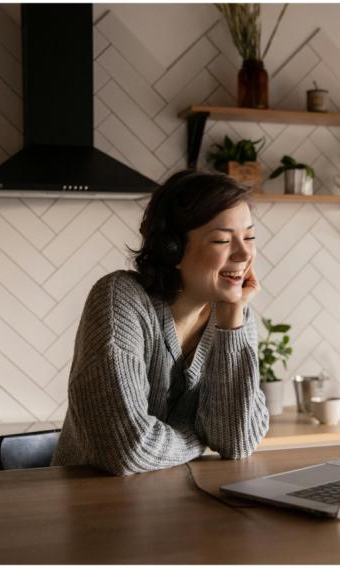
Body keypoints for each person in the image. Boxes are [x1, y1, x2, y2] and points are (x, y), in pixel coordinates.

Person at [51, 170, 269, 475]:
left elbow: (236, 442)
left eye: (249, 237)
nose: (244, 254)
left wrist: (232, 323)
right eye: (222, 240)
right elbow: (127, 449)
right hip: (91, 498)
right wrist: (198, 438)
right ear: (172, 249)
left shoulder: (236, 316)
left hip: (176, 497)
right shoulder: (120, 299)